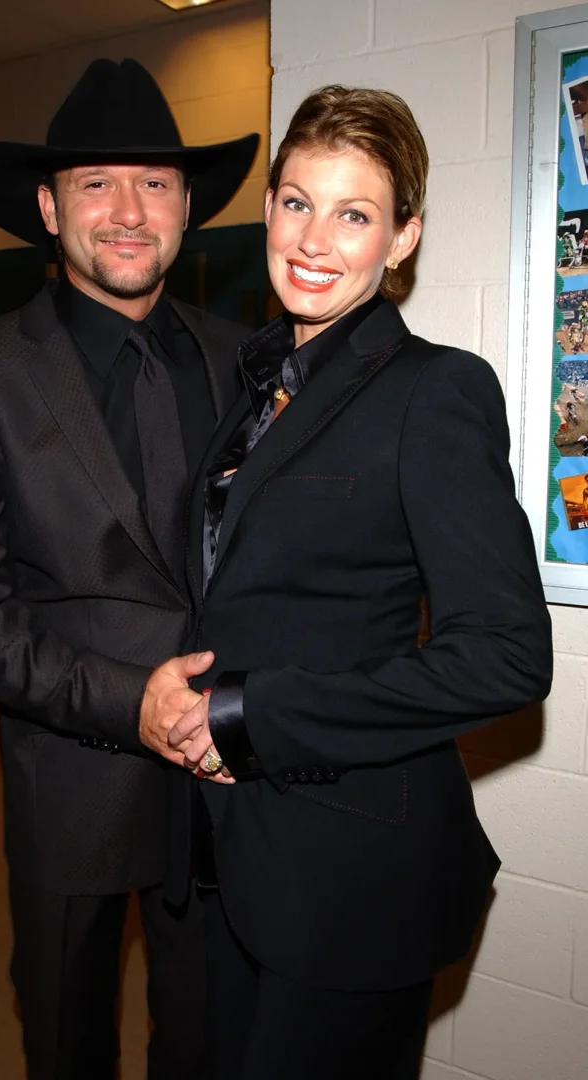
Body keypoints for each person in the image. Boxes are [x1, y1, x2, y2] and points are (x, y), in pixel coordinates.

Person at [141, 85, 553, 1079]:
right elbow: (239, 591)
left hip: (345, 874)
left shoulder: (435, 391)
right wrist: (165, 686)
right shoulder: (258, 388)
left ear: (402, 238)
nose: (314, 239)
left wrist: (252, 714)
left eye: (354, 213)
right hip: (220, 848)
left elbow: (506, 658)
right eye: (295, 201)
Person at [0, 58, 258, 1080]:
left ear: (188, 205)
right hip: (73, 773)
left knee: (211, 1028)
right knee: (67, 1032)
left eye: (154, 182)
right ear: (49, 209)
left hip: (232, 772)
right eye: (97, 183)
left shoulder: (253, 362)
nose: (129, 211)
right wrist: (126, 703)